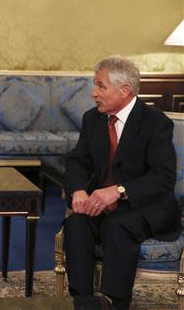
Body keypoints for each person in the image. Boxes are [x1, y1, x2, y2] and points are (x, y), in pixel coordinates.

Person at [63, 56, 181, 310]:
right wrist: (79, 190)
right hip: (101, 203)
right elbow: (77, 161)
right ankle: (83, 301)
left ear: (124, 90)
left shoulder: (155, 122)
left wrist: (118, 191)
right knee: (77, 223)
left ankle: (116, 302)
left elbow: (163, 178)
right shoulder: (93, 119)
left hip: (144, 205)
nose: (94, 93)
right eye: (94, 85)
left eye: (101, 86)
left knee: (117, 227)